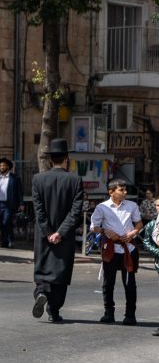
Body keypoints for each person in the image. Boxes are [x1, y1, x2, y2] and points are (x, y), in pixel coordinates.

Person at [31, 139, 85, 323]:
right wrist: (60, 232)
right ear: (66, 158)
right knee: (61, 273)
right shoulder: (75, 180)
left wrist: (48, 231)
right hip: (65, 236)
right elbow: (75, 211)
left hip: (43, 236)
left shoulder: (38, 179)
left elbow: (38, 209)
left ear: (50, 159)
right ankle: (54, 310)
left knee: (43, 268)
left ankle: (41, 292)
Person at [90, 179, 142, 325]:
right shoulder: (102, 207)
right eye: (121, 190)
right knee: (108, 283)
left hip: (128, 248)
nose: (125, 192)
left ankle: (130, 315)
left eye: (125, 190)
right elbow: (93, 226)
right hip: (111, 249)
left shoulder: (132, 205)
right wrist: (105, 230)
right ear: (111, 192)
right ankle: (108, 313)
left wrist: (133, 233)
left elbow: (139, 223)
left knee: (130, 283)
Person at [0, 157, 24, 248]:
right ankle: (5, 241)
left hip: (10, 204)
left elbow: (19, 192)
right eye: (0, 166)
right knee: (3, 223)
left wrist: (21, 204)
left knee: (6, 222)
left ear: (8, 167)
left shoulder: (15, 178)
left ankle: (10, 240)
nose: (2, 167)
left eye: (4, 165)